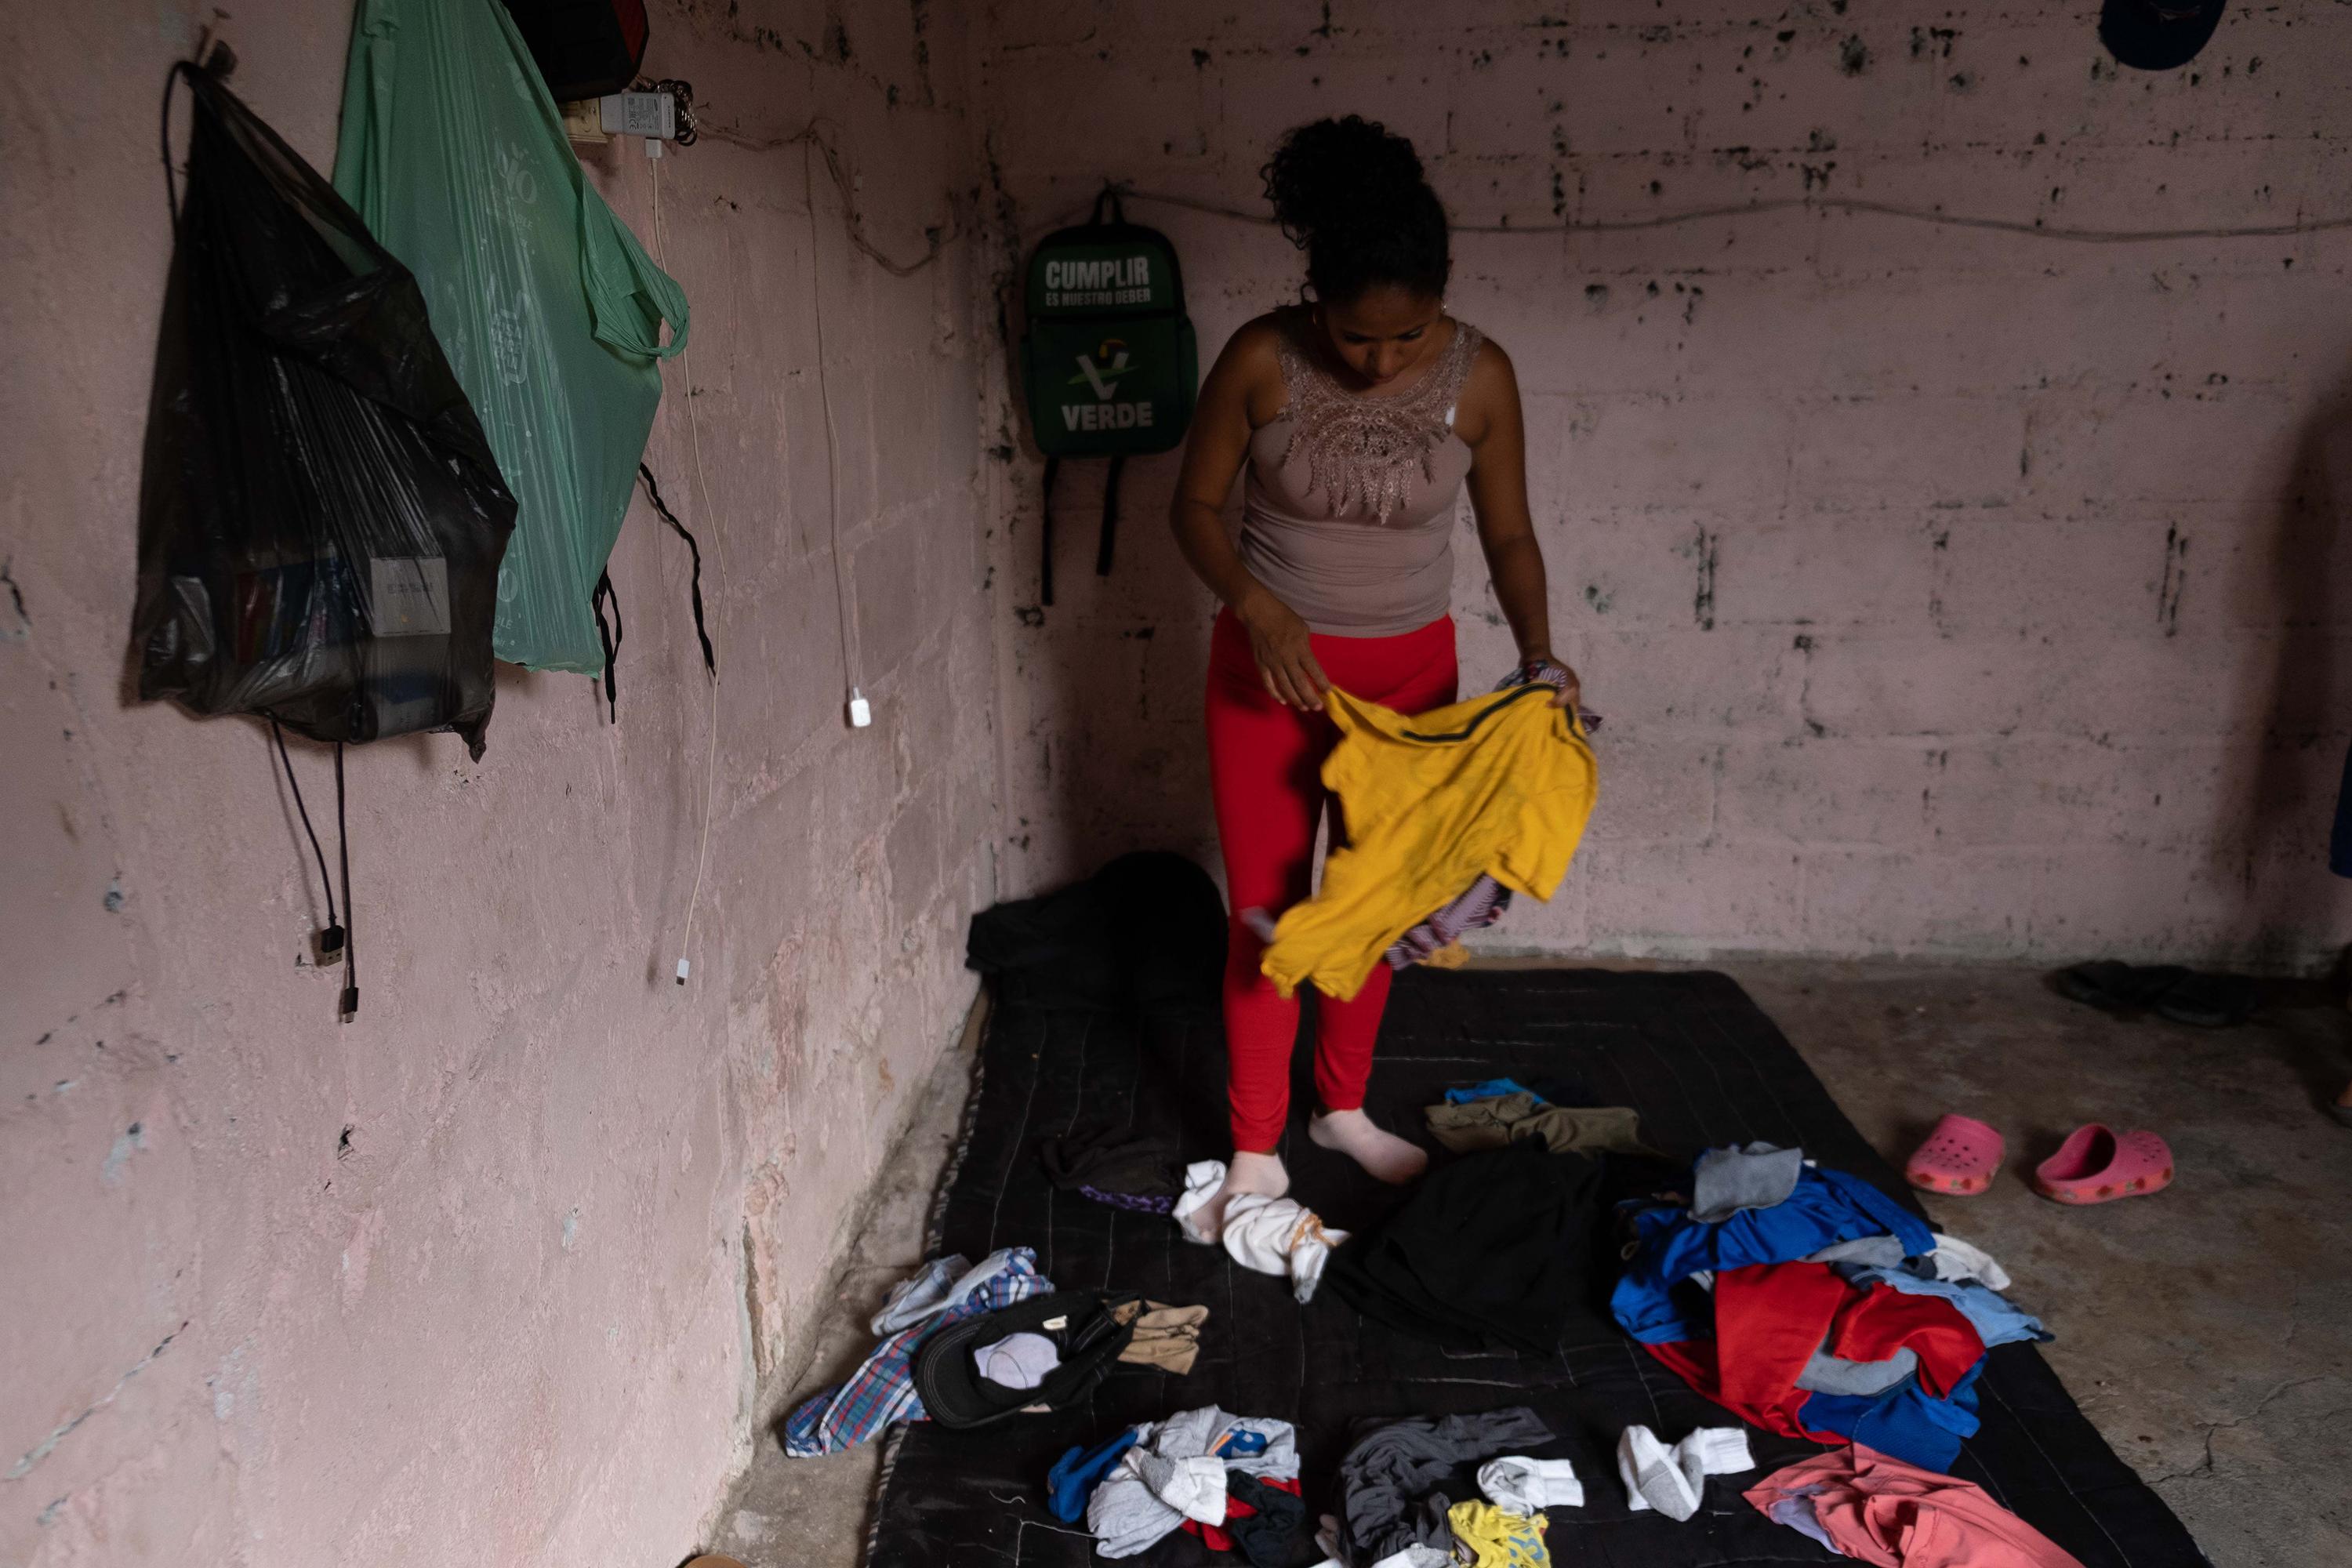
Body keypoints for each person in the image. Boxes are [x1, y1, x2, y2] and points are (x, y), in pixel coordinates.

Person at [1168, 115, 1579, 1237]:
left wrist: (1539, 654)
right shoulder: (1261, 357)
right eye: (1356, 337)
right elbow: (1192, 509)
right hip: (1268, 674)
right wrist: (1256, 605)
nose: (1382, 360)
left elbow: (1510, 540)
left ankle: (1341, 1109)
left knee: (1379, 897)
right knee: (1271, 911)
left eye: (1409, 337)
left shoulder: (1482, 378)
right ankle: (1257, 1146)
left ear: (1444, 301)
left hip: (1412, 689)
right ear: (1315, 298)